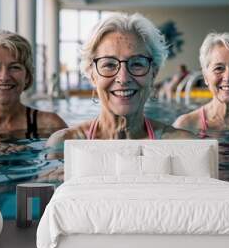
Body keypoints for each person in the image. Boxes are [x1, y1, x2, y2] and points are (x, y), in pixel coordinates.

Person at [45, 13, 194, 167]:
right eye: (109, 65)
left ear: (153, 73)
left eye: (137, 64)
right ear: (92, 75)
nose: (123, 78)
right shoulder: (63, 145)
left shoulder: (182, 145)